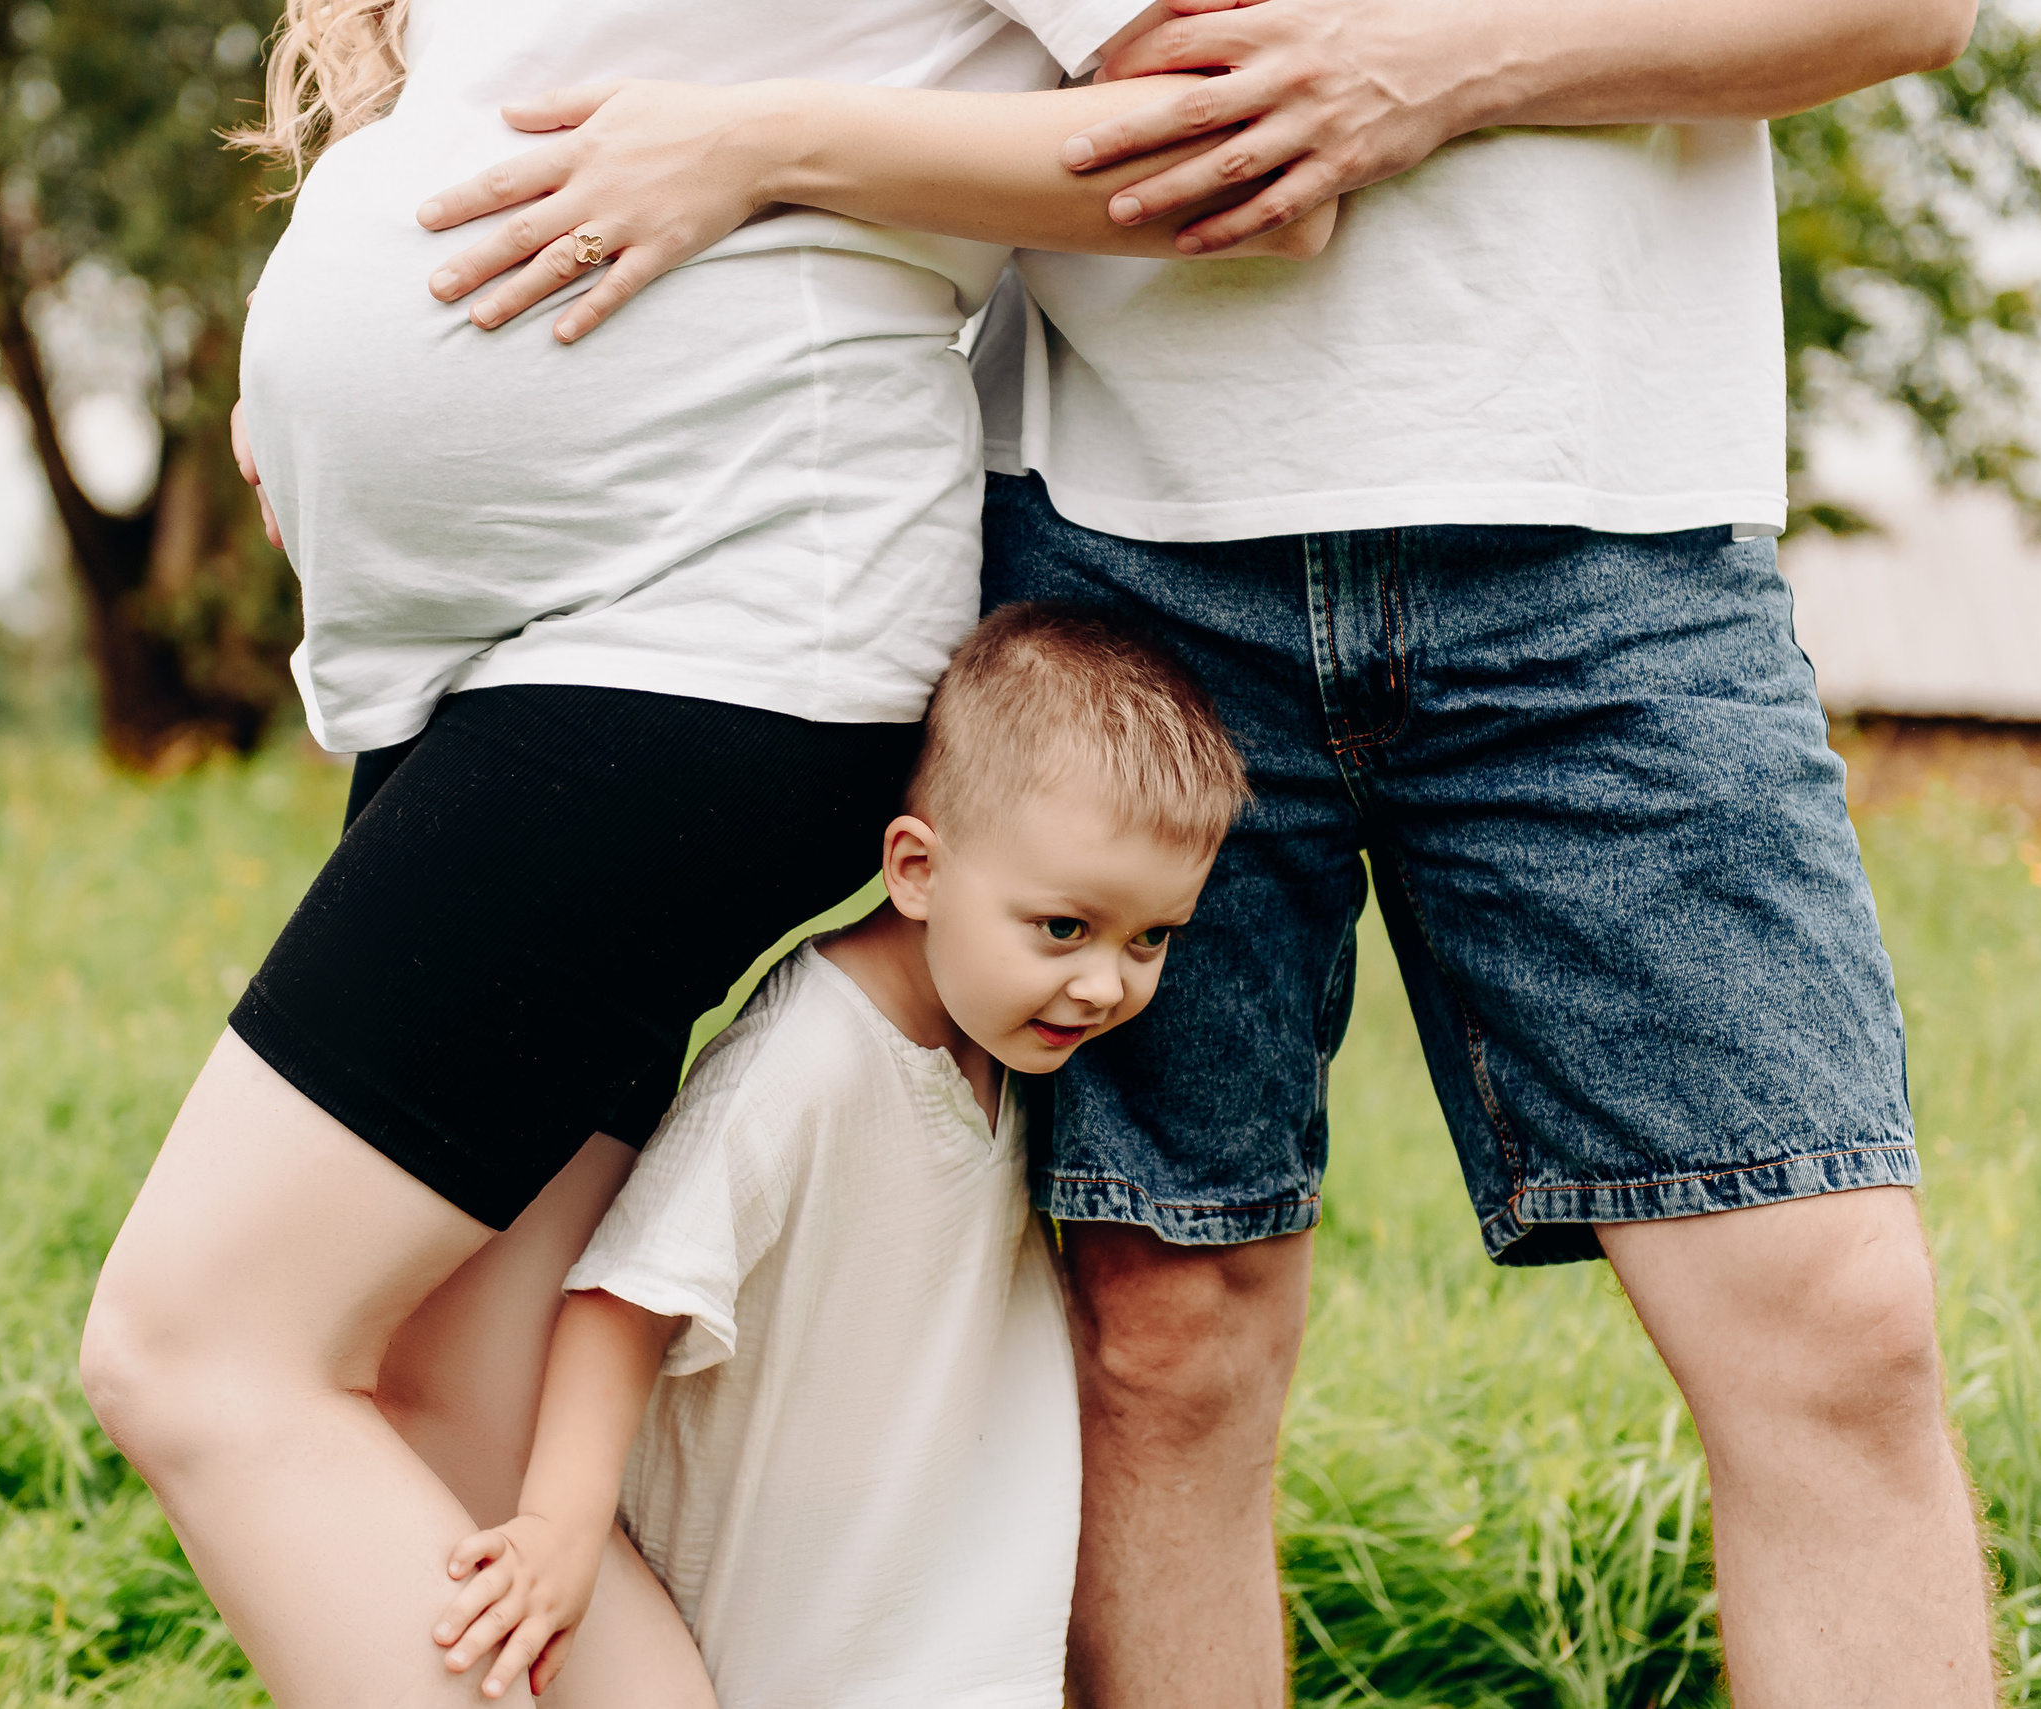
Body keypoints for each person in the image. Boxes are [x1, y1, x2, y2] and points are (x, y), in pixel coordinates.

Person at [407, 1, 1997, 1703]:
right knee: (1169, 1342)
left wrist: (1439, 65)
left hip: (1606, 525)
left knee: (1832, 1320)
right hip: (1127, 530)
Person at [79, 0, 1332, 1703]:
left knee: (197, 1347)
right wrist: (317, 357)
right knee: (473, 1420)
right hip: (511, 652)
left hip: (718, 621)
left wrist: (762, 145)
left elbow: (1242, 137)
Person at [427, 603, 1246, 1706]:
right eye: (1064, 926)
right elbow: (624, 1295)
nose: (1107, 984)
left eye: (1150, 937)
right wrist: (558, 1527)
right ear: (914, 868)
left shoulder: (1003, 1032)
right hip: (775, 1645)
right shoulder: (807, 1059)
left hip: (932, 1638)